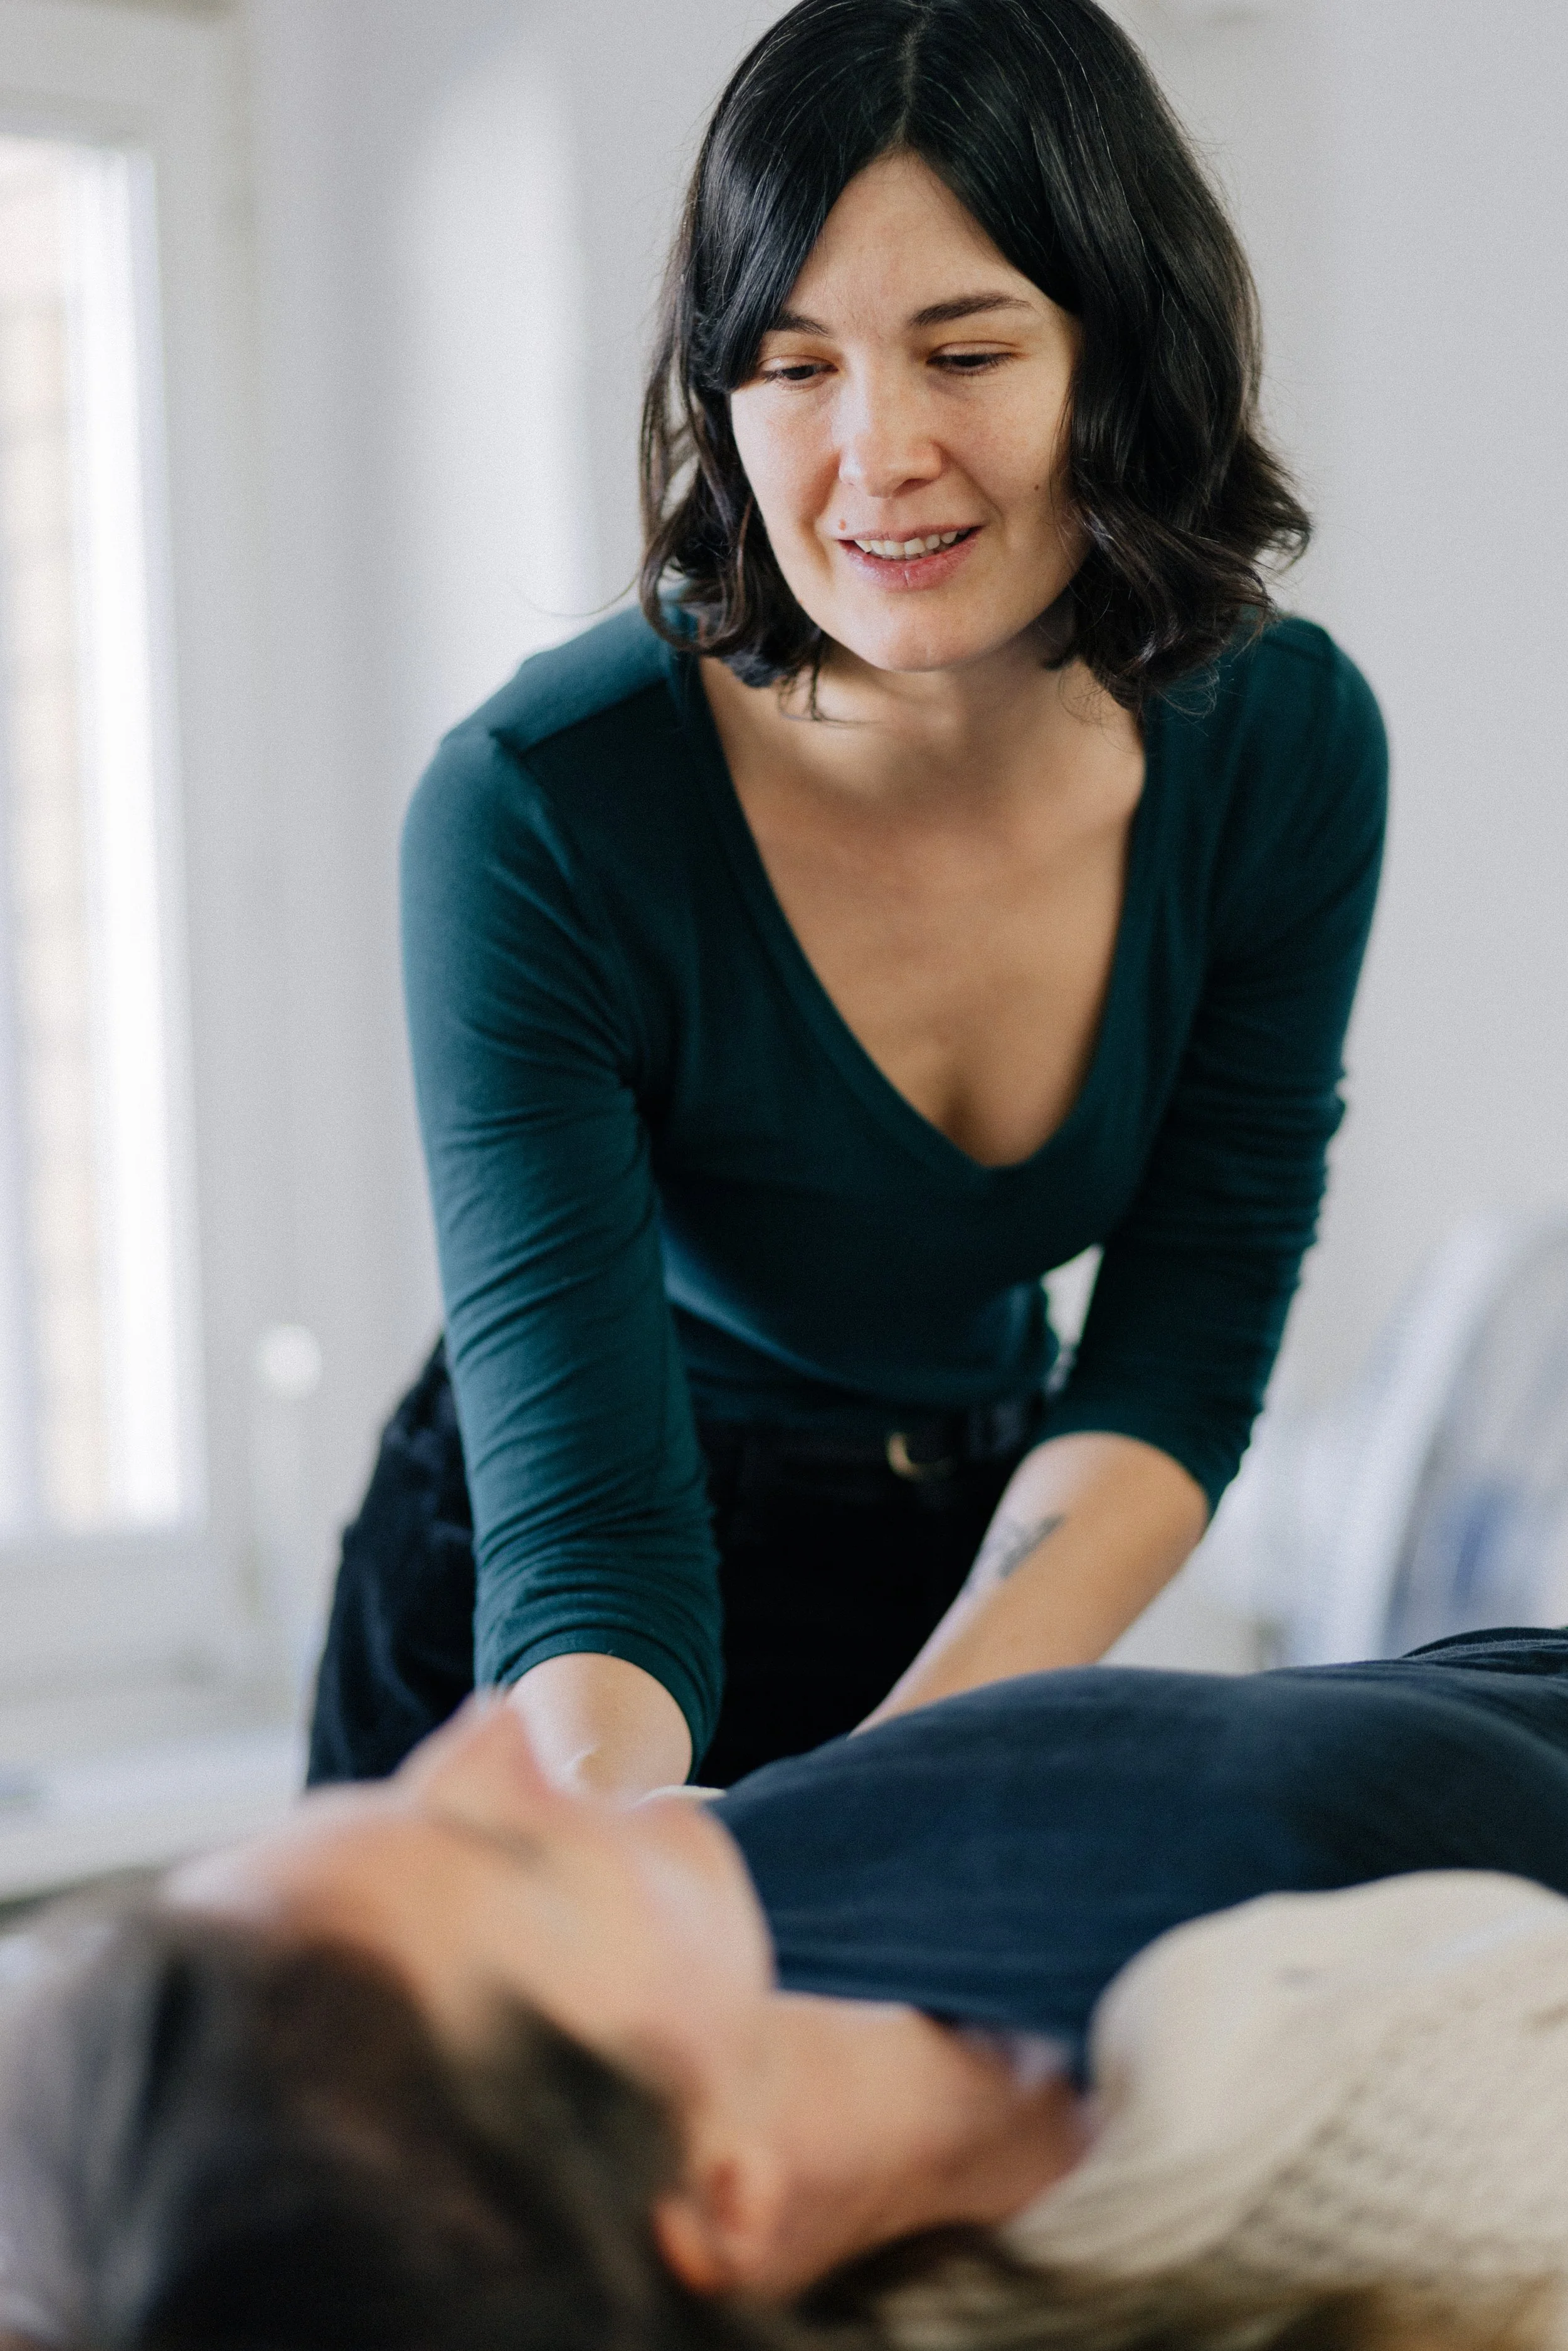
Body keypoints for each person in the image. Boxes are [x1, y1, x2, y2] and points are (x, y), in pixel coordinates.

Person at [308, 0, 1387, 1796]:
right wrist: (634, 1857)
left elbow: (1177, 1349)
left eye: (963, 351)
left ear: (1123, 361)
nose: (873, 454)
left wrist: (896, 1787)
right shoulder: (538, 813)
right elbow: (591, 1542)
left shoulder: (1282, 747)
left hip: (967, 1574)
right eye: (792, 367)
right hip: (561, 1632)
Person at [7, 1630, 1568, 2350]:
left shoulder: (733, 1911)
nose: (494, 1721)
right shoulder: (1384, 2135)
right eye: (505, 1853)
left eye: (408, 1792)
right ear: (715, 2200)